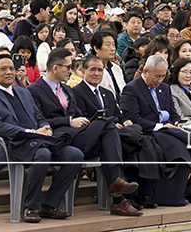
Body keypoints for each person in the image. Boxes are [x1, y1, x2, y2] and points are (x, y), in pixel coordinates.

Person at [27, 47, 141, 217]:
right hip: (56, 137)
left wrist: (85, 121)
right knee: (108, 124)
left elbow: (77, 114)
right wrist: (68, 121)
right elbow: (39, 120)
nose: (71, 70)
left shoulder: (66, 90)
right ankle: (118, 195)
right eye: (68, 66)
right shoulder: (34, 90)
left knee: (106, 130)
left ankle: (118, 198)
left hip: (77, 136)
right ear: (55, 68)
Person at [0, 50, 84, 223]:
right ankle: (30, 207)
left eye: (11, 68)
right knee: (43, 154)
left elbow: (39, 116)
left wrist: (45, 127)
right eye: (3, 69)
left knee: (74, 155)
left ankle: (49, 205)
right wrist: (32, 132)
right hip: (10, 145)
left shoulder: (23, 92)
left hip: (37, 141)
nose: (9, 72)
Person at [120, 53, 191, 206]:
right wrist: (160, 126)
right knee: (179, 148)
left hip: (170, 128)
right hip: (150, 131)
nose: (159, 80)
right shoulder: (132, 89)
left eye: (162, 76)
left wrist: (173, 122)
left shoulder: (165, 88)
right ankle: (174, 193)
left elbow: (174, 113)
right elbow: (134, 118)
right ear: (145, 71)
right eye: (156, 76)